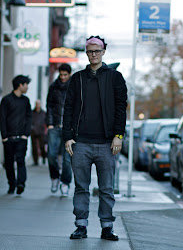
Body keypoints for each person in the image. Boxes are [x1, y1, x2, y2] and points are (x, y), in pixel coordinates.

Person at [63, 36, 128, 241]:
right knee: (81, 187)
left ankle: (107, 227)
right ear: (86, 53)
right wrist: (68, 137)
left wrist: (118, 136)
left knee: (106, 188)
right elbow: (68, 109)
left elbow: (120, 109)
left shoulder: (115, 77)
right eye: (90, 51)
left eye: (97, 51)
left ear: (103, 52)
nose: (93, 54)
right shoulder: (77, 78)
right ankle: (80, 226)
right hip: (80, 143)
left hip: (107, 144)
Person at [0, 75, 32, 195]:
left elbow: (29, 118)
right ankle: (11, 184)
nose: (27, 87)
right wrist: (4, 136)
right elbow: (2, 119)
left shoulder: (26, 101)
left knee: (20, 160)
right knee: (9, 162)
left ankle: (20, 184)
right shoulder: (6, 100)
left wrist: (26, 134)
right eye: (26, 84)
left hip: (21, 138)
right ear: (20, 85)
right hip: (9, 138)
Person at [46, 63, 72, 196]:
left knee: (68, 158)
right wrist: (49, 123)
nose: (62, 77)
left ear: (69, 74)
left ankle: (65, 182)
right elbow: (49, 105)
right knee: (51, 154)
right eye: (61, 74)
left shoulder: (75, 87)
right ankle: (55, 178)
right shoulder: (53, 87)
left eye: (65, 75)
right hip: (55, 126)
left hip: (69, 128)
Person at [31, 100, 47, 166]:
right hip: (33, 131)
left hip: (41, 131)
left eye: (38, 104)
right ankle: (35, 161)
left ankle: (43, 157)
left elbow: (46, 122)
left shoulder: (43, 113)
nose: (37, 105)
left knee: (42, 146)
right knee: (34, 147)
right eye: (36, 104)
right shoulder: (32, 112)